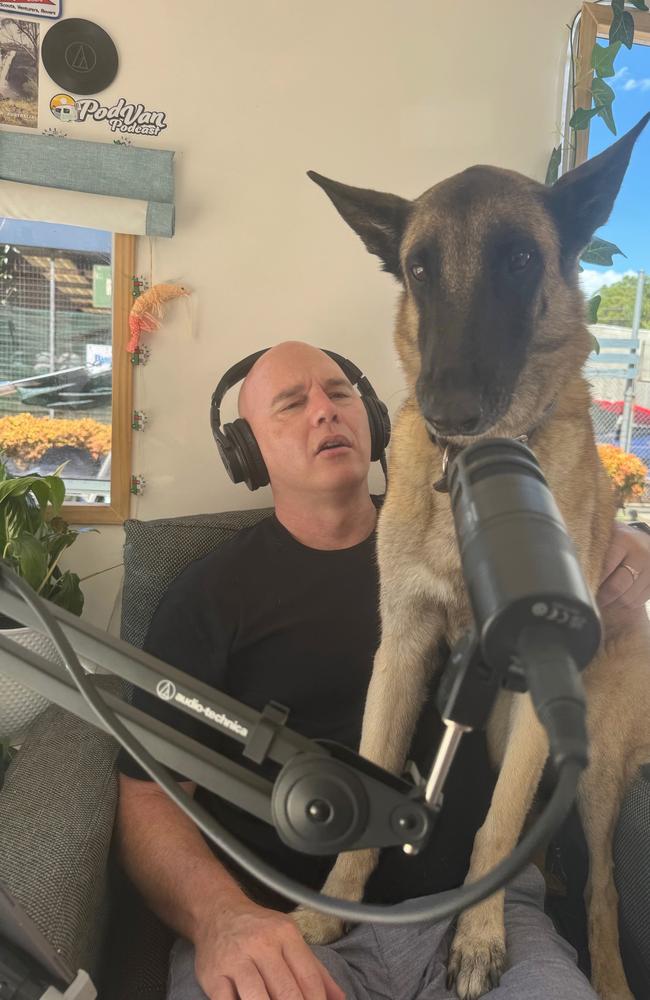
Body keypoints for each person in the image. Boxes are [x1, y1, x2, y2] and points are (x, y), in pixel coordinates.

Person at [116, 341, 650, 1000]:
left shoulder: (474, 536)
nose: (325, 413)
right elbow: (148, 801)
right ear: (246, 453)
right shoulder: (208, 597)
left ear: (372, 414)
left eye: (340, 394)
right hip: (286, 930)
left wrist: (622, 552)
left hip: (478, 916)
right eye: (292, 403)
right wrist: (222, 919)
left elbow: (584, 540)